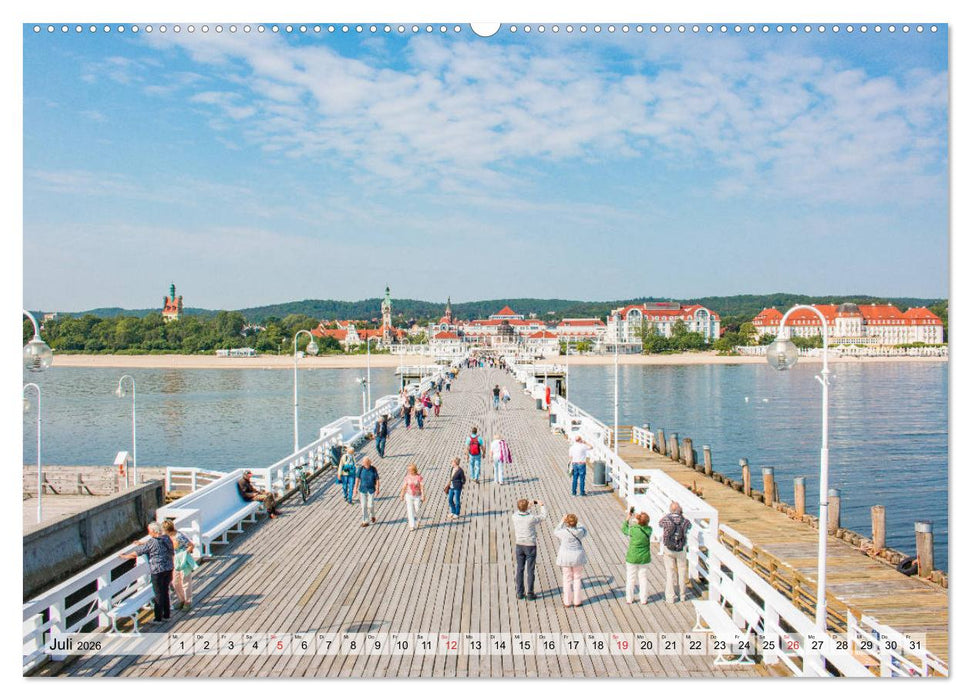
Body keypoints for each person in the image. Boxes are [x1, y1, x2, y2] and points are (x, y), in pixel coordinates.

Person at [119, 522, 175, 623]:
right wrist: (142, 543)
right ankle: (167, 615)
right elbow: (158, 546)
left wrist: (124, 556)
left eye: (149, 531)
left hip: (158, 570)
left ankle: (158, 618)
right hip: (168, 568)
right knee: (165, 591)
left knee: (158, 594)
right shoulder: (166, 538)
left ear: (153, 531)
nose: (149, 532)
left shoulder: (152, 542)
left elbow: (137, 553)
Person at [658, 501, 692, 603]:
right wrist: (681, 515)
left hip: (669, 548)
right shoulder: (684, 520)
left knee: (670, 572)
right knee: (682, 572)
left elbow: (660, 524)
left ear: (670, 510)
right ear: (679, 510)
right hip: (681, 548)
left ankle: (670, 597)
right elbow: (689, 526)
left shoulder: (666, 519)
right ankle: (682, 595)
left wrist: (669, 515)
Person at [513, 499, 547, 600]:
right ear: (527, 507)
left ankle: (519, 593)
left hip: (519, 544)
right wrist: (541, 505)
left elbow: (520, 511)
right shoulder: (531, 518)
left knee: (520, 569)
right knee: (530, 570)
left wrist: (527, 506)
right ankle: (530, 593)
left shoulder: (514, 516)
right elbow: (543, 516)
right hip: (530, 545)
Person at [162, 520, 197, 612]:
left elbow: (191, 545)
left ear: (168, 530)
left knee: (185, 581)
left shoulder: (179, 536)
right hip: (174, 561)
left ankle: (187, 602)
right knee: (175, 582)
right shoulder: (166, 537)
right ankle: (181, 599)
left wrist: (184, 554)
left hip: (183, 561)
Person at [554, 514, 588, 608]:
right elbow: (585, 530)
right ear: (576, 522)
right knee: (577, 578)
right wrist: (577, 521)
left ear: (567, 523)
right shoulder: (580, 531)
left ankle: (567, 602)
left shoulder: (563, 532)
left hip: (566, 557)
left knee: (567, 579)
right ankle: (577, 601)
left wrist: (562, 521)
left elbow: (555, 531)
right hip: (577, 557)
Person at [622, 510, 653, 605]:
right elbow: (644, 524)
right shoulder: (649, 530)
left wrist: (628, 519)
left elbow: (624, 529)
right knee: (643, 578)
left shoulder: (633, 530)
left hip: (632, 557)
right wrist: (638, 519)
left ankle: (629, 599)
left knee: (630, 578)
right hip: (644, 558)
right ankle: (643, 599)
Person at [354, 457, 380, 527]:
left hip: (371, 489)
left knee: (370, 505)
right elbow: (357, 478)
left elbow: (377, 479)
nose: (365, 464)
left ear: (369, 463)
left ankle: (372, 515)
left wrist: (377, 488)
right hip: (362, 489)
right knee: (363, 506)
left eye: (366, 463)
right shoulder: (361, 469)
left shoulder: (373, 469)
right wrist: (355, 488)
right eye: (364, 463)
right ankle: (365, 521)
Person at [399, 463, 426, 531]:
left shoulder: (419, 477)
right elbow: (404, 486)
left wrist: (423, 495)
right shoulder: (407, 477)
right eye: (408, 470)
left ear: (414, 470)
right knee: (410, 510)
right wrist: (402, 494)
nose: (409, 472)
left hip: (417, 495)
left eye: (411, 470)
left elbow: (422, 487)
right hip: (409, 495)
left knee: (417, 509)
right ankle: (412, 525)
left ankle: (418, 520)